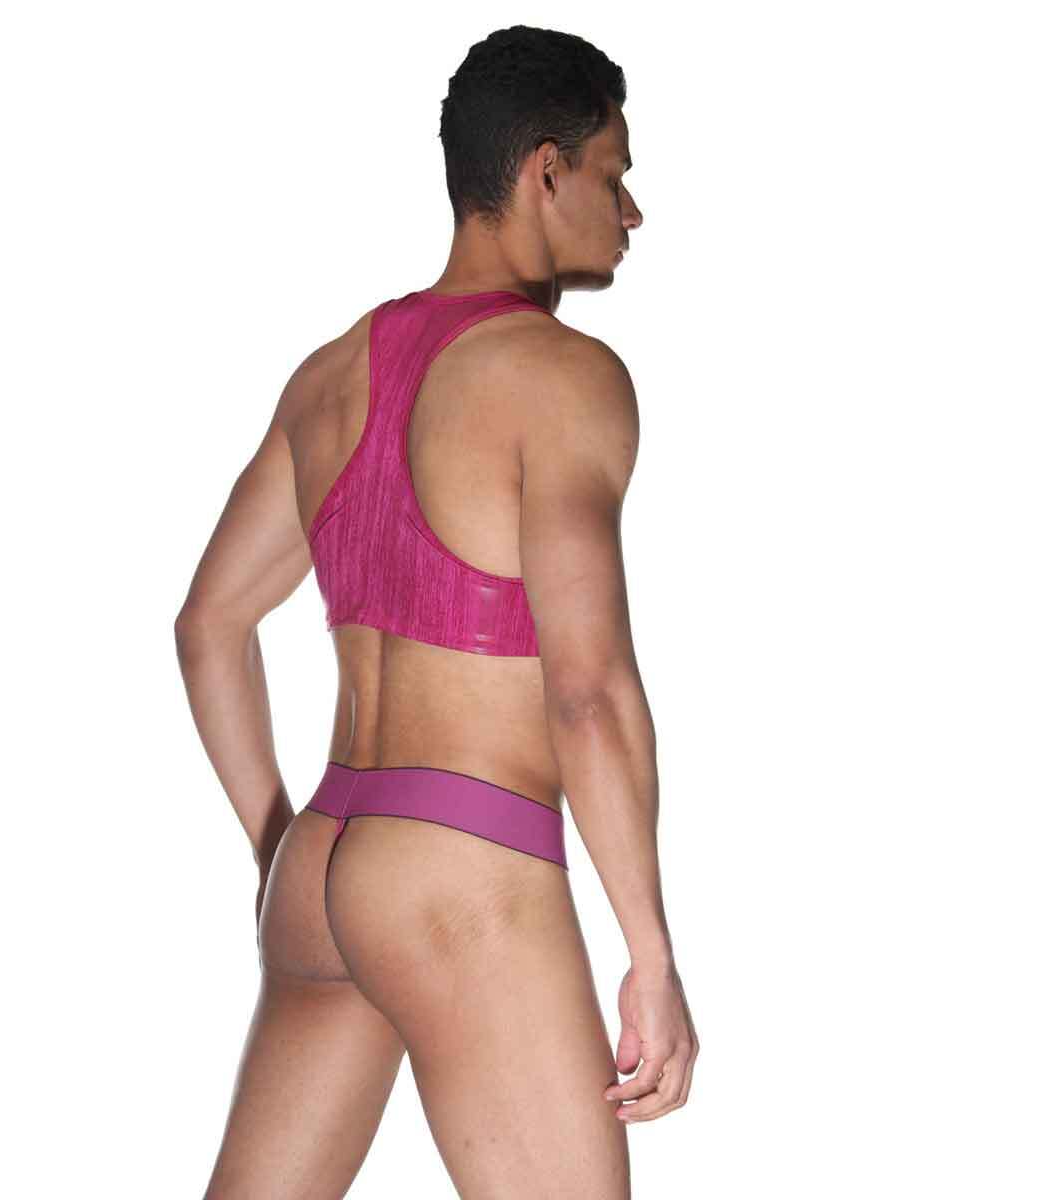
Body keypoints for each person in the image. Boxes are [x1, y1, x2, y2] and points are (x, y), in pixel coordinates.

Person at [174, 24, 698, 1199]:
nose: (632, 211)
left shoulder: (330, 375)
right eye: (614, 175)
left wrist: (275, 850)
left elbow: (209, 625)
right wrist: (651, 953)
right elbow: (588, 692)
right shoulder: (562, 376)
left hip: (322, 861)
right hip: (465, 867)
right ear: (546, 170)